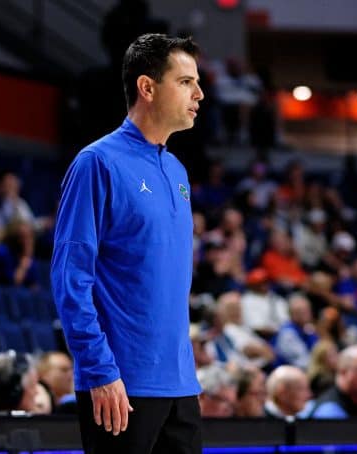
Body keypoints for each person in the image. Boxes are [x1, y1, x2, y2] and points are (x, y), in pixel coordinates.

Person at [51, 33, 205, 454]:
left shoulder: (176, 170)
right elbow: (70, 279)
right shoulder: (96, 163)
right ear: (147, 87)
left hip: (180, 385)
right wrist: (99, 370)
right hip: (120, 386)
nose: (200, 93)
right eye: (186, 82)